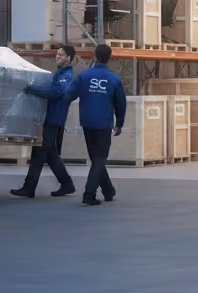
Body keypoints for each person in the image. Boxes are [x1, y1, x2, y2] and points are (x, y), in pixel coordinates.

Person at [11, 45, 77, 199]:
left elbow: (55, 92)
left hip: (54, 118)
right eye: (57, 54)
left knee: (40, 152)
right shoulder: (60, 74)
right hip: (51, 117)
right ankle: (67, 184)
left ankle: (29, 188)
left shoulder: (66, 76)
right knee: (50, 154)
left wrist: (33, 89)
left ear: (69, 58)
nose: (57, 57)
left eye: (61, 55)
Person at [75, 44, 127, 206]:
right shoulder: (113, 79)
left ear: (95, 56)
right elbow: (121, 103)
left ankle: (108, 190)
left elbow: (69, 93)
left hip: (87, 122)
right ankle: (89, 193)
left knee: (96, 159)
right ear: (109, 58)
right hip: (103, 123)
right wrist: (119, 123)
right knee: (99, 159)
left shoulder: (84, 76)